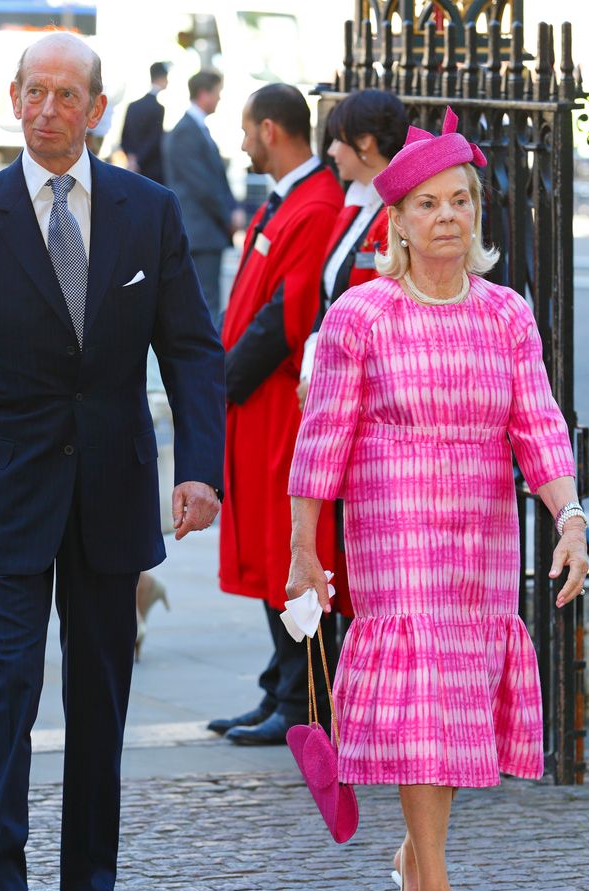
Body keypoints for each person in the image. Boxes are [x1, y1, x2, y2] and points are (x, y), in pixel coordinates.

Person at [0, 33, 224, 891]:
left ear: (94, 107)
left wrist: (197, 466)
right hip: (3, 496)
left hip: (113, 493)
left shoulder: (147, 211)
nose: (46, 107)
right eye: (31, 91)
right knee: (10, 689)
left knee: (101, 697)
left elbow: (192, 350)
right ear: (14, 100)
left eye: (64, 93)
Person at [286, 107, 588, 891]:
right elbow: (322, 441)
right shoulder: (361, 314)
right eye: (427, 204)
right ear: (399, 223)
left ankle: (417, 850)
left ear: (475, 216)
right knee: (423, 693)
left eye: (459, 201)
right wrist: (305, 548)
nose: (446, 216)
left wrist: (567, 517)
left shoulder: (506, 315)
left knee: (454, 697)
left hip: (480, 527)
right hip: (393, 522)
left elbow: (537, 423)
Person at [211, 84, 343, 746]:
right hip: (258, 404)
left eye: (244, 131)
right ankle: (280, 688)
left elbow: (284, 318)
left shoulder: (314, 204)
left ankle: (300, 702)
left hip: (278, 407)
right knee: (270, 552)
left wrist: (221, 380)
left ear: (269, 129)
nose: (239, 143)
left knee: (285, 551)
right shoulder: (294, 198)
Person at [297, 88, 407, 409]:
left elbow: (382, 324)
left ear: (364, 143)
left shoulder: (396, 217)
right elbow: (327, 301)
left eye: (337, 140)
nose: (331, 151)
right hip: (328, 380)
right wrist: (310, 372)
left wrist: (322, 381)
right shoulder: (355, 203)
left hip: (361, 396)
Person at [162, 70, 244, 325]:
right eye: (217, 93)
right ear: (204, 94)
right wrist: (228, 215)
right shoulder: (187, 131)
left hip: (204, 230)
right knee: (205, 304)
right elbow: (203, 185)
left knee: (204, 301)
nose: (219, 98)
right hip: (201, 232)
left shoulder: (195, 128)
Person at [120, 61, 169, 182]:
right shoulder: (158, 108)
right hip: (151, 170)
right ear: (162, 78)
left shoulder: (132, 106)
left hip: (133, 168)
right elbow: (154, 139)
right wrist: (138, 160)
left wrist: (132, 159)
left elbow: (125, 136)